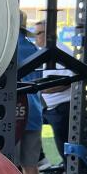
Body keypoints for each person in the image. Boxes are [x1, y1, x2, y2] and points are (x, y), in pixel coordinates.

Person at [34, 15, 74, 163]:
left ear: (49, 34)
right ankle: (40, 159)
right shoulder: (43, 52)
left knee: (64, 147)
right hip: (47, 107)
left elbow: (67, 82)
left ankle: (70, 171)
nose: (35, 37)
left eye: (38, 33)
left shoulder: (61, 52)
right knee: (28, 124)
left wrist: (40, 89)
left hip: (61, 108)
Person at [16, 13, 43, 174]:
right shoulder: (33, 48)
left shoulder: (5, 46)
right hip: (34, 111)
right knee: (30, 165)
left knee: (7, 166)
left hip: (13, 112)